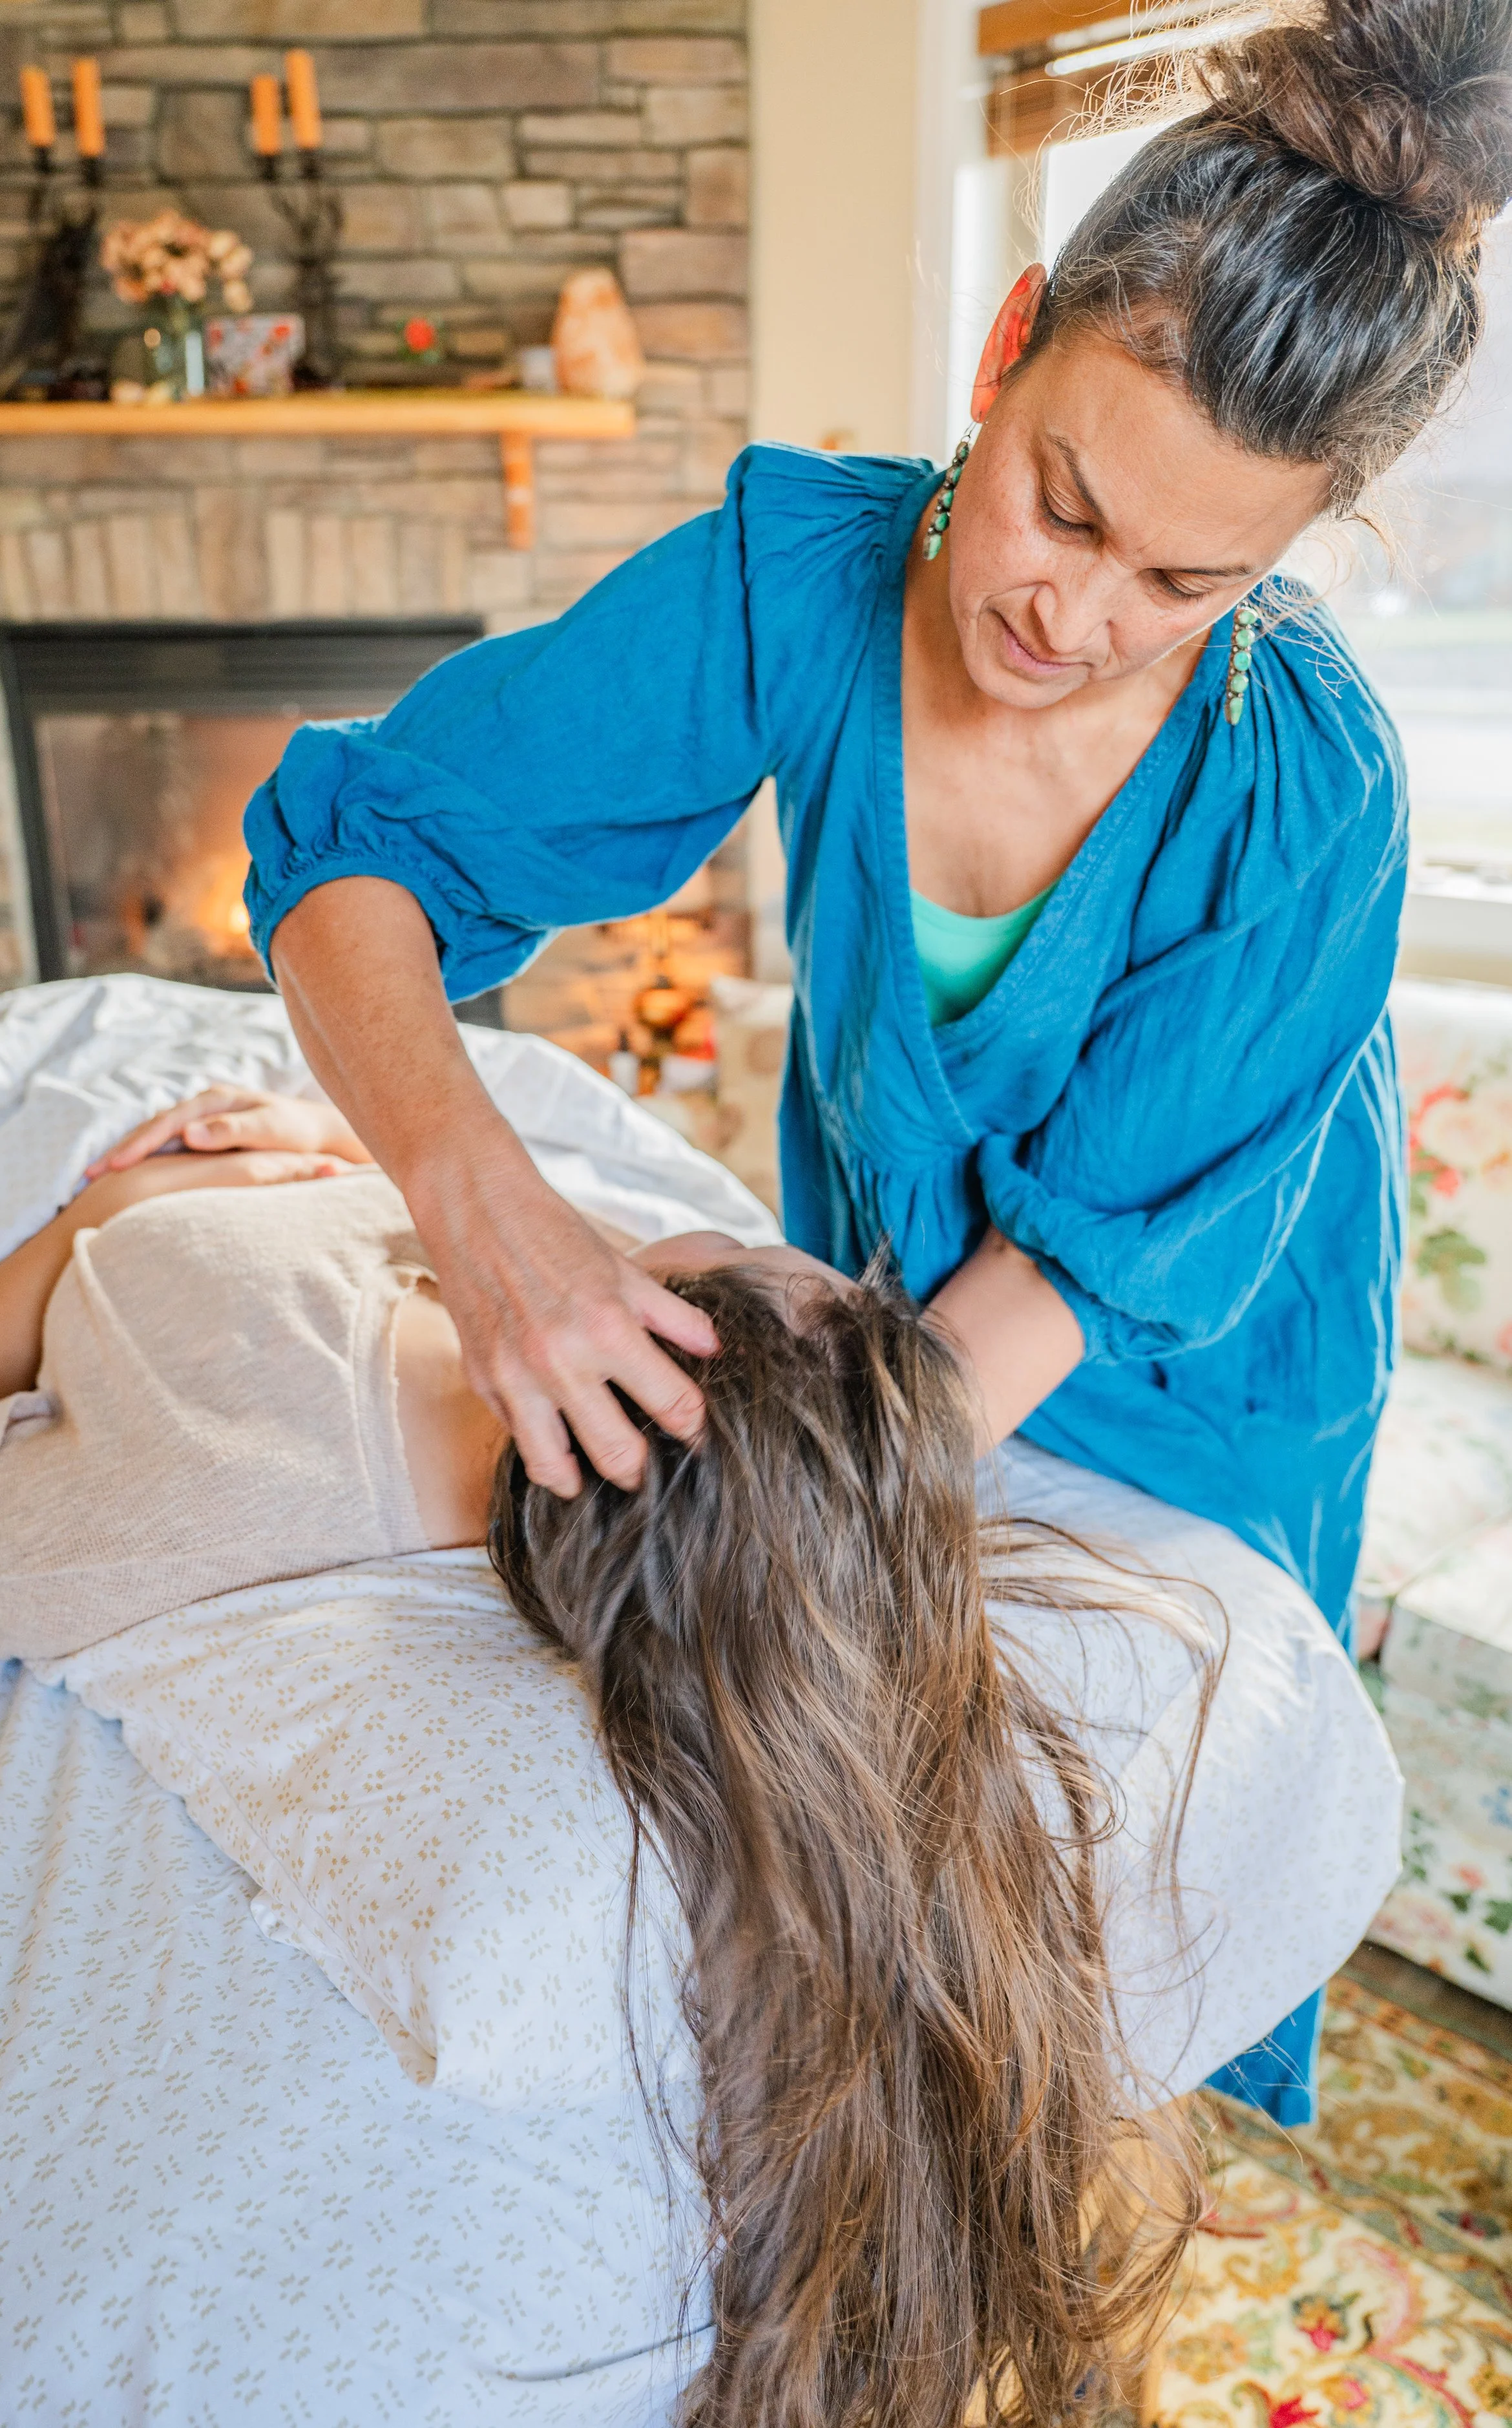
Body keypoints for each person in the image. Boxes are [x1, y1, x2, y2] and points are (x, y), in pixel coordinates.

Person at [233, 0, 1512, 2120]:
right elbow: (357, 862)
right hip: (908, 1329)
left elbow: (1077, 1281)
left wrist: (803, 1572)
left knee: (1071, 1967)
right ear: (1008, 343)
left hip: (1199, 1377)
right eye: (1058, 501)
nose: (1077, 615)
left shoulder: (1313, 791)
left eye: (1192, 581)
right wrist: (475, 1201)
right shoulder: (793, 579)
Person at [0, 1115, 1203, 2428]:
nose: (797, 1253)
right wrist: (389, 1164)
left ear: (661, 1350)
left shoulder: (246, 1357)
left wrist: (167, 1197)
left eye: (759, 1261)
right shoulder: (574, 1492)